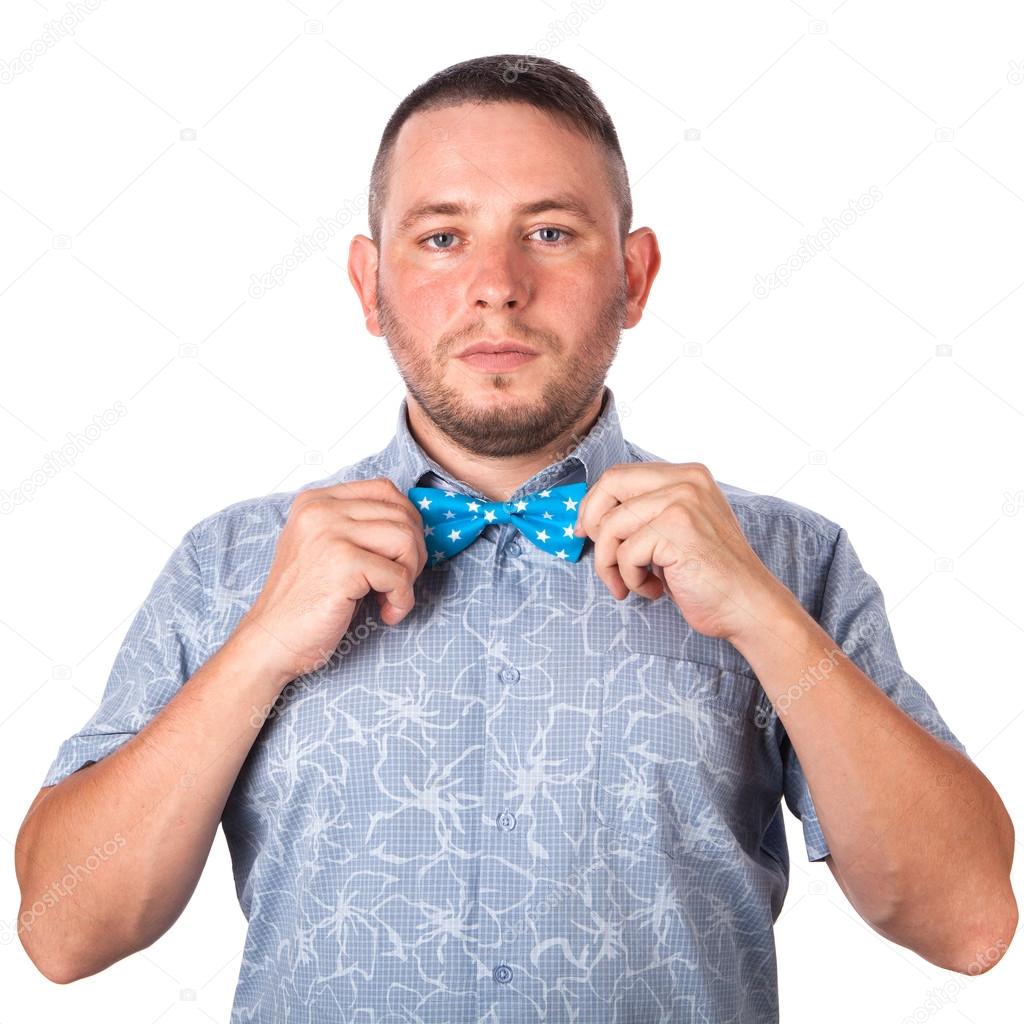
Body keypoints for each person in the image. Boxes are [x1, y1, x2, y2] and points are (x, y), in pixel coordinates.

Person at [16, 54, 1016, 1023]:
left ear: (633, 273)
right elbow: (66, 933)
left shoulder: (789, 559)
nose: (496, 284)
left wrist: (762, 618)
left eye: (548, 231)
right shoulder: (232, 564)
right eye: (442, 237)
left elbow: (967, 922)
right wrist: (259, 649)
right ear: (369, 285)